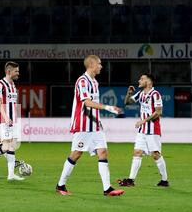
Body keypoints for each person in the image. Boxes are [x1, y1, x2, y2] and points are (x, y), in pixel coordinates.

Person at [55, 55, 124, 196]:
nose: (101, 66)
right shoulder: (82, 81)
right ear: (91, 65)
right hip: (82, 124)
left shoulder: (95, 82)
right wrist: (108, 107)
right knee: (76, 154)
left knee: (103, 152)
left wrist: (97, 120)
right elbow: (87, 103)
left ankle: (107, 189)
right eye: (99, 63)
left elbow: (91, 108)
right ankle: (60, 185)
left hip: (94, 125)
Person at [117, 73, 169, 187]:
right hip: (142, 130)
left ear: (149, 82)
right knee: (137, 152)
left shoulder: (155, 94)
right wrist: (129, 93)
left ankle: (164, 180)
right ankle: (130, 180)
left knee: (155, 154)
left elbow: (158, 112)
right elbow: (127, 102)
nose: (139, 80)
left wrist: (143, 121)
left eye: (142, 79)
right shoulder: (140, 94)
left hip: (153, 130)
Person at [0, 61, 24, 181]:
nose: (18, 73)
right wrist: (5, 118)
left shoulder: (13, 86)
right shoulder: (0, 84)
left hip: (13, 121)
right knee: (8, 145)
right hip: (4, 120)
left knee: (9, 147)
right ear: (9, 71)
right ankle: (9, 174)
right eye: (16, 71)